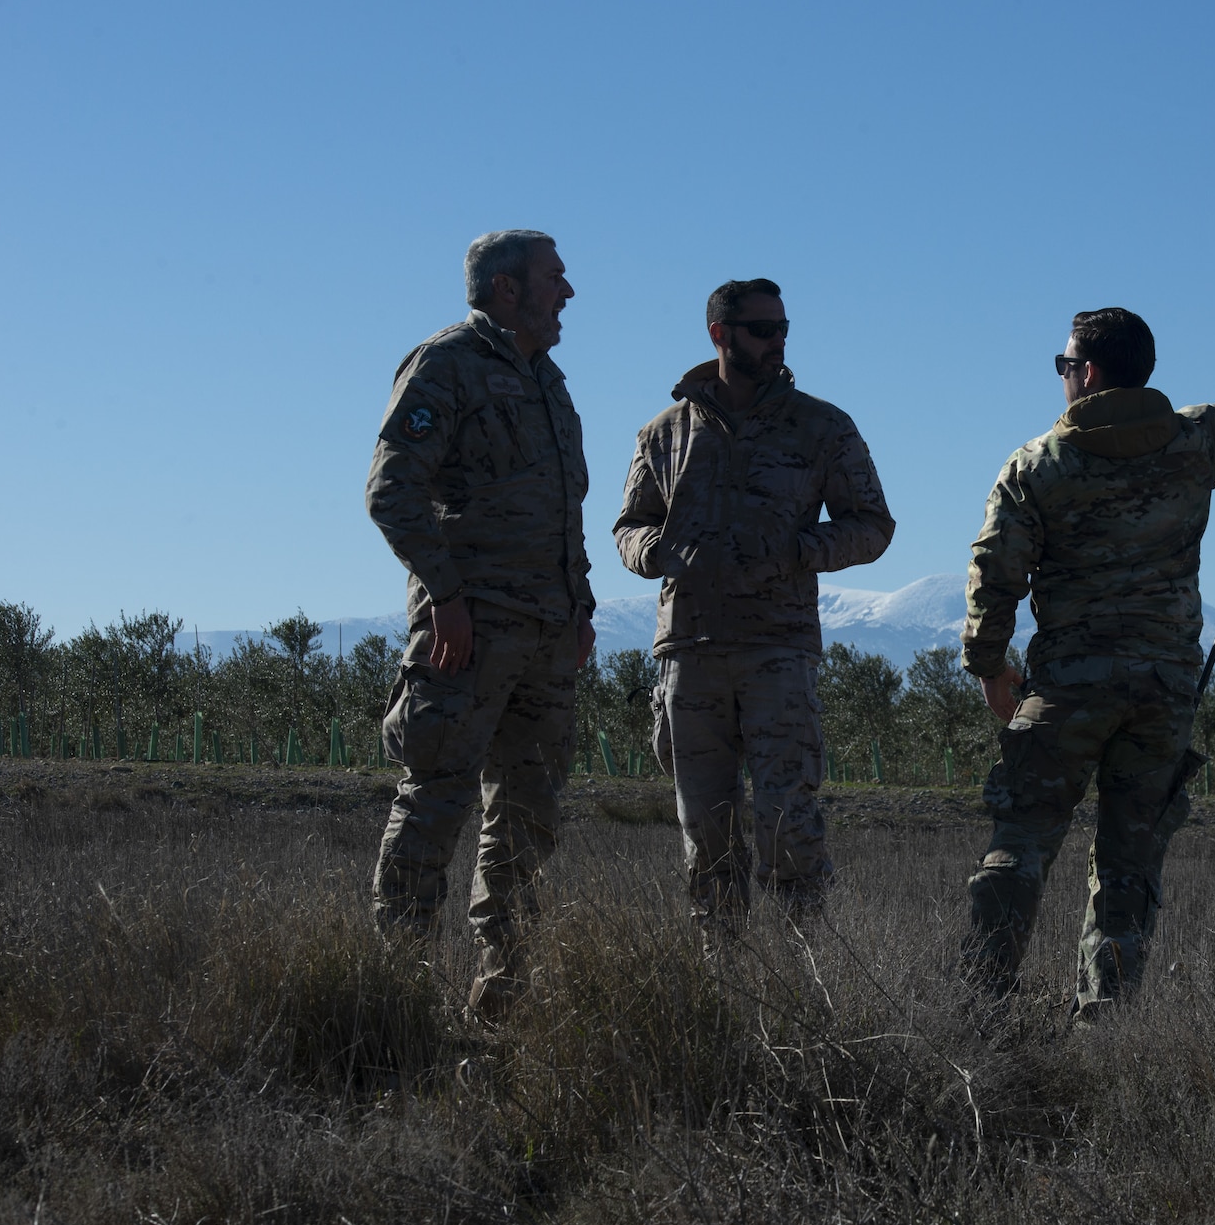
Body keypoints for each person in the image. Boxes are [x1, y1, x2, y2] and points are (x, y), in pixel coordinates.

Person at [961, 304, 1215, 1019]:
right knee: (1129, 867)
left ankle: (978, 1005)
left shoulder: (1038, 466)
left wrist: (989, 665)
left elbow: (996, 575)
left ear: (1086, 373)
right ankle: (1105, 1025)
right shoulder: (1192, 444)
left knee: (1021, 845)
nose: (1062, 377)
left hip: (1067, 690)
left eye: (1064, 366)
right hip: (1162, 694)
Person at [614, 279, 894, 934]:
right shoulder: (664, 431)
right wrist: (657, 552)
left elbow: (872, 524)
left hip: (779, 648)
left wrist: (800, 548)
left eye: (783, 328)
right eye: (763, 329)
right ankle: (721, 978)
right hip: (689, 649)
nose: (778, 341)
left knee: (786, 820)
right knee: (704, 830)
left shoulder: (822, 426)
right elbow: (629, 525)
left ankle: (811, 969)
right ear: (721, 334)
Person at [365, 229, 597, 1018]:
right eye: (554, 278)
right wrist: (445, 597)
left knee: (527, 820)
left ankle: (501, 1001)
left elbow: (567, 511)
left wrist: (582, 609)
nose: (567, 292)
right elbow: (393, 490)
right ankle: (397, 998)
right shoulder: (446, 365)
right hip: (468, 636)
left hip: (545, 639)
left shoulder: (550, 385)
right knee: (437, 800)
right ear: (507, 288)